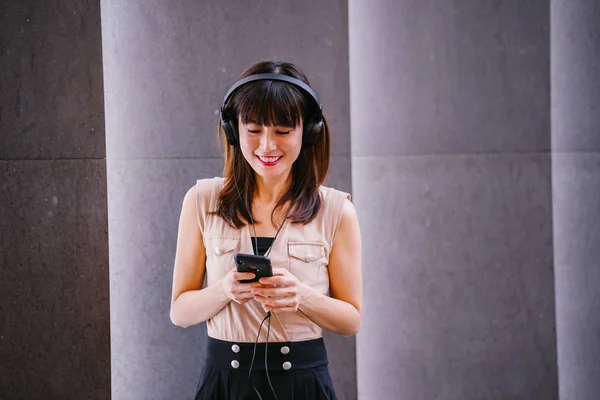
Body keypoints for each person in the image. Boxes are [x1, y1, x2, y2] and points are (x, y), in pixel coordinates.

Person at [169, 60, 362, 400]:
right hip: (223, 384)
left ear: (310, 132)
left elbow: (351, 321)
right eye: (254, 130)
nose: (267, 146)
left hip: (303, 384)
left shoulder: (337, 211)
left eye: (283, 132)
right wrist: (225, 290)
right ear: (234, 131)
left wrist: (301, 296)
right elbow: (180, 312)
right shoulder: (201, 200)